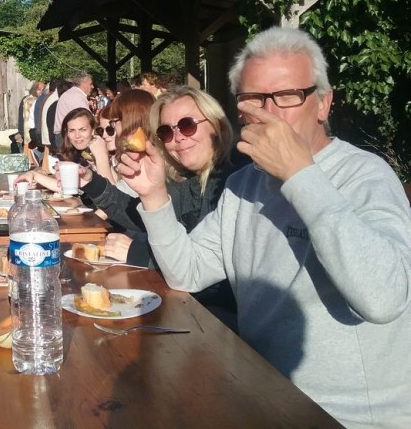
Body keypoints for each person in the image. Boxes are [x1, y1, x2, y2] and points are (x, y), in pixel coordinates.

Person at [117, 26, 411, 427]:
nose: (268, 112)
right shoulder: (244, 185)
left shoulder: (364, 175)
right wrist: (153, 196)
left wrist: (301, 175)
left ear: (323, 104)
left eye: (287, 95)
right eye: (253, 98)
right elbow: (188, 272)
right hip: (257, 392)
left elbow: (384, 300)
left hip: (346, 415)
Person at [85, 86, 239, 325]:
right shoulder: (185, 179)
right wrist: (93, 184)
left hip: (223, 325)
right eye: (167, 131)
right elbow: (143, 218)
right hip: (188, 311)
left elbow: (211, 280)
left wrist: (138, 253)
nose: (178, 138)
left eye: (187, 125)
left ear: (217, 125)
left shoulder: (236, 183)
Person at [53, 71, 94, 145]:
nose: (92, 87)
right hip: (68, 137)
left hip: (63, 136)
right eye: (90, 84)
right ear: (83, 84)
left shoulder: (69, 93)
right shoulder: (78, 97)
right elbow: (86, 119)